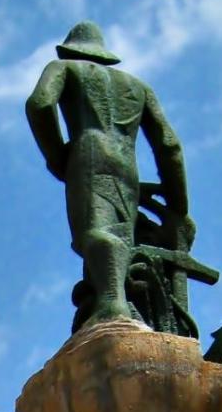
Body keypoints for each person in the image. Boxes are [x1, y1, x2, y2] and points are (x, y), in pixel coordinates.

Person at [26, 21, 191, 327]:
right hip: (127, 164)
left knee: (94, 232)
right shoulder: (138, 87)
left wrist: (56, 156)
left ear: (70, 50)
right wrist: (178, 208)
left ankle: (113, 307)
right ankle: (113, 301)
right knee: (119, 237)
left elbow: (39, 103)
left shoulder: (64, 68)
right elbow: (169, 145)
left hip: (88, 152)